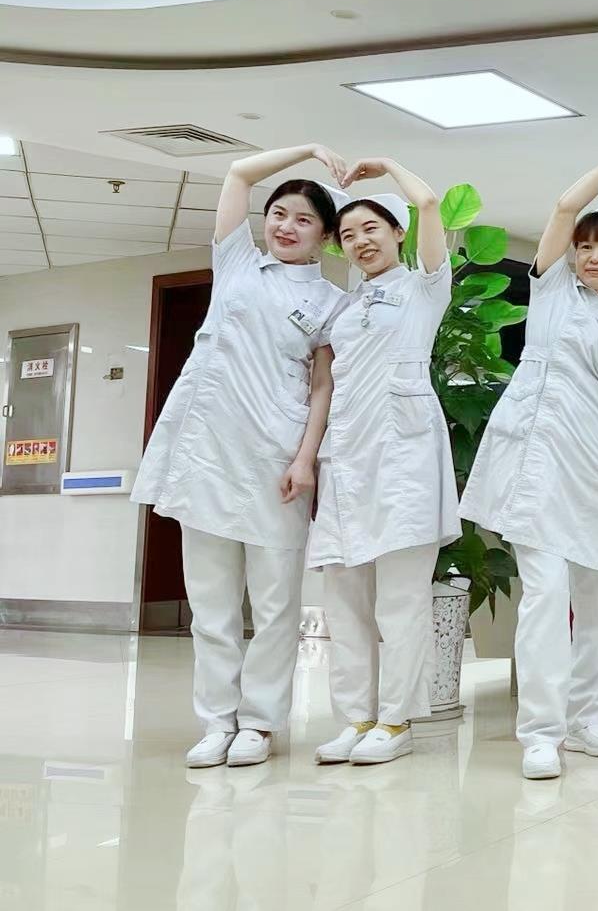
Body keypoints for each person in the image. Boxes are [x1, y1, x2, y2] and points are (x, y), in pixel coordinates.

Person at [135, 144, 351, 769]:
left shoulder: (331, 303)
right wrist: (308, 149)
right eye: (278, 213)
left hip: (275, 458)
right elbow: (237, 173)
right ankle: (215, 722)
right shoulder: (236, 264)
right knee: (211, 605)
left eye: (303, 220)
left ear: (324, 237)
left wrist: (305, 459)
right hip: (206, 452)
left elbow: (323, 387)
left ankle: (259, 723)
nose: (285, 226)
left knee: (277, 604)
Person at [460, 147, 598, 780]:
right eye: (586, 246)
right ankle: (541, 731)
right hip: (539, 464)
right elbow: (566, 205)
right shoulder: (551, 292)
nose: (594, 256)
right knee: (545, 595)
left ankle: (587, 720)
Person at [308, 161, 458, 767]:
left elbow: (430, 202)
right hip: (347, 456)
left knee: (401, 599)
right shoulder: (346, 307)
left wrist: (389, 167)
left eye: (372, 228)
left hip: (404, 458)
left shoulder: (424, 289)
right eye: (348, 235)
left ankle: (396, 721)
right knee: (344, 597)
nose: (360, 241)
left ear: (398, 232)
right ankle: (356, 717)